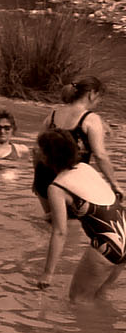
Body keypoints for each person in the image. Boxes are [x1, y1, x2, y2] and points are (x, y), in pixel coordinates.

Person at [34, 127, 126, 304]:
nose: (36, 152)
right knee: (100, 297)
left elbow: (60, 233)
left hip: (108, 244)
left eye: (39, 149)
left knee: (78, 301)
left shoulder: (57, 187)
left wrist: (48, 273)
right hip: (124, 236)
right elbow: (93, 202)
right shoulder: (85, 168)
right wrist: (53, 214)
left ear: (47, 156)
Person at [32, 77, 115, 217]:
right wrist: (114, 184)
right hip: (70, 181)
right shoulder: (91, 118)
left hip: (43, 176)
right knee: (72, 226)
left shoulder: (53, 114)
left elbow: (36, 150)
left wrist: (36, 179)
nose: (98, 102)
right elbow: (100, 155)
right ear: (92, 94)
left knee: (51, 222)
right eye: (99, 98)